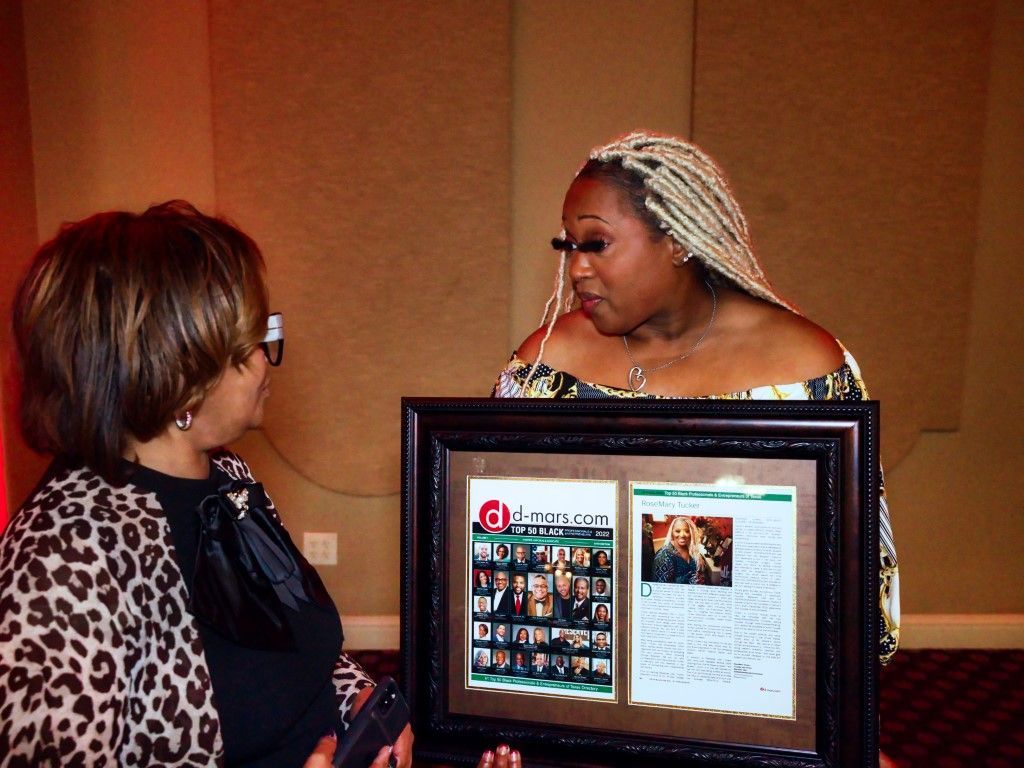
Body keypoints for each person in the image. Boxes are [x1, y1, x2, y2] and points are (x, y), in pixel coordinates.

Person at [0, 202, 412, 767]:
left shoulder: (227, 478)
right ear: (179, 374)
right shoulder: (62, 561)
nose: (269, 361)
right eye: (250, 343)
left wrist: (357, 702)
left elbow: (291, 641)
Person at [492, 132, 897, 665]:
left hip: (746, 673)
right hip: (586, 670)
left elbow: (859, 578)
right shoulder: (546, 365)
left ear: (678, 241)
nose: (576, 268)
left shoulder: (804, 368)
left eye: (596, 244)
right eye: (568, 245)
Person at [652, 516, 706, 585]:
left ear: (691, 533)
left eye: (687, 531)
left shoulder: (692, 551)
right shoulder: (664, 556)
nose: (682, 535)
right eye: (677, 531)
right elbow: (660, 588)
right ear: (672, 533)